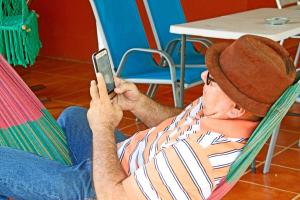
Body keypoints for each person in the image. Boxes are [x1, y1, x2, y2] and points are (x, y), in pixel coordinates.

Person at [0, 35, 296, 200]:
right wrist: (139, 103)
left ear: (236, 109)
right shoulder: (223, 111)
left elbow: (112, 196)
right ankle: (49, 179)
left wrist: (103, 127)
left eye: (212, 81)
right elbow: (182, 120)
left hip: (104, 190)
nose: (204, 76)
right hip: (127, 161)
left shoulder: (200, 159)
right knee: (75, 116)